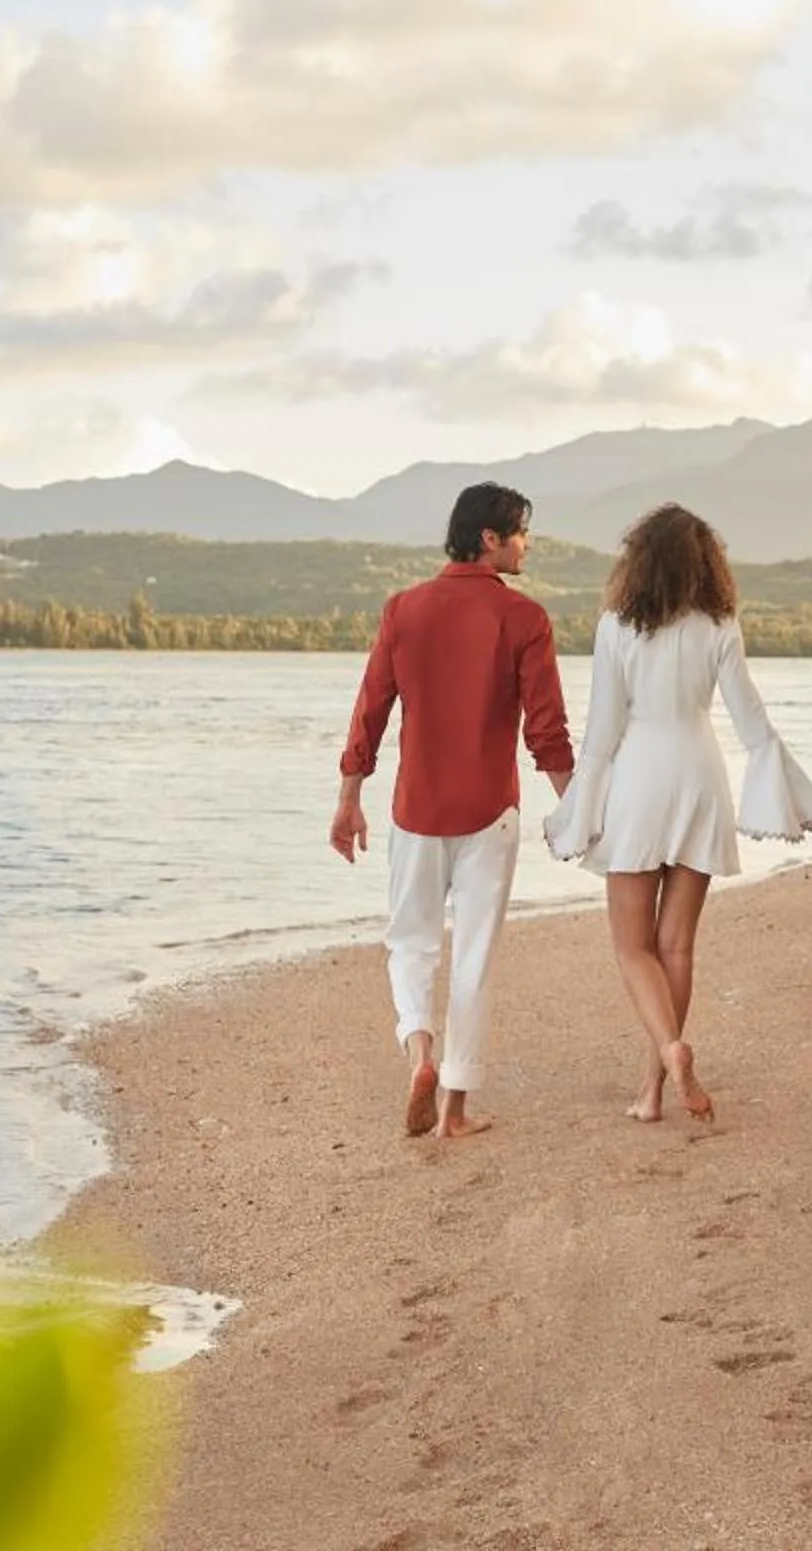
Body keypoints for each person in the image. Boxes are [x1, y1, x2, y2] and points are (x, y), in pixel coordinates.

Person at [543, 504, 812, 1125]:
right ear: (706, 564)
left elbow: (601, 734)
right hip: (702, 778)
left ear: (639, 562)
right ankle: (653, 1089)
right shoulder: (720, 624)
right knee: (676, 948)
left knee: (633, 950)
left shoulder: (616, 627)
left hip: (640, 783)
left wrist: (577, 811)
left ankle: (670, 1056)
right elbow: (755, 727)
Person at [333, 482, 574, 1139]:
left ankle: (419, 1053)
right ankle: (456, 1111)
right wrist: (577, 813)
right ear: (489, 539)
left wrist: (349, 799)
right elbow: (546, 734)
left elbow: (370, 711)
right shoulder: (524, 620)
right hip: (490, 812)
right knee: (473, 959)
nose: (527, 545)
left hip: (416, 811)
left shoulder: (403, 609)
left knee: (410, 944)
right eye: (521, 532)